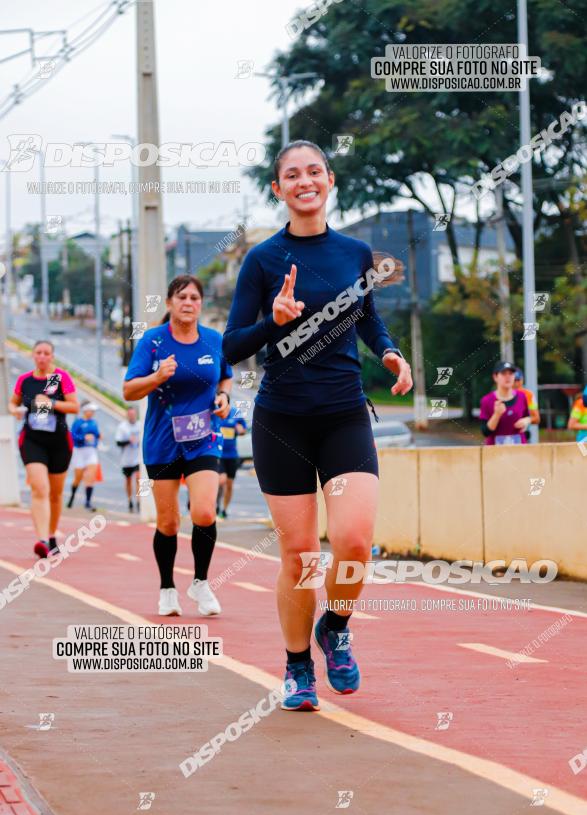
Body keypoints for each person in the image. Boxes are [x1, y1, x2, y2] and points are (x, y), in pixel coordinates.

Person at [222, 139, 412, 711]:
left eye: (314, 171)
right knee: (301, 557)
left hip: (344, 414)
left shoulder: (356, 253)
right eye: (291, 175)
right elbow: (231, 345)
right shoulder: (262, 260)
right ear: (278, 190)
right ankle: (298, 665)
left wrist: (390, 352)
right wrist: (273, 324)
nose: (304, 181)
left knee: (354, 542)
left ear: (329, 181)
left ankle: (337, 625)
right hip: (282, 421)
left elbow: (369, 318)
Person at [123, 275, 232, 617]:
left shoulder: (214, 341)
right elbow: (128, 390)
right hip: (162, 441)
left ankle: (200, 581)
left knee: (204, 512)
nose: (188, 303)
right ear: (169, 303)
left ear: (201, 305)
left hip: (204, 439)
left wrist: (224, 395)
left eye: (195, 298)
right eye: (182, 297)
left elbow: (226, 375)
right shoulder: (153, 342)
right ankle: (167, 587)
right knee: (169, 523)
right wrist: (156, 377)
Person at [9, 340, 79, 558]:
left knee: (56, 494)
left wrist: (51, 404)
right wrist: (16, 410)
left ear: (52, 356)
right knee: (40, 488)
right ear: (32, 355)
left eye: (46, 353)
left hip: (59, 442)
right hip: (32, 441)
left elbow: (74, 406)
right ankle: (41, 541)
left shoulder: (58, 378)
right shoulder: (25, 380)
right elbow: (12, 402)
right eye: (38, 352)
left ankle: (51, 536)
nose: (41, 356)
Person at [479, 361, 531, 445]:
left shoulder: (522, 396)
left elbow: (528, 416)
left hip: (519, 450)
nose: (508, 377)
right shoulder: (487, 400)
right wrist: (497, 415)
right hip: (496, 452)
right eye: (503, 373)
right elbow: (485, 432)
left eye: (511, 373)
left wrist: (526, 421)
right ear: (495, 377)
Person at [67, 402, 101, 511]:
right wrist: (83, 437)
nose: (93, 413)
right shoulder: (78, 422)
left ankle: (88, 502)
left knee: (91, 477)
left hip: (91, 451)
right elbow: (72, 436)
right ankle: (72, 497)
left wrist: (97, 438)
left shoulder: (94, 423)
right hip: (79, 452)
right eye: (91, 410)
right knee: (78, 478)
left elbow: (96, 434)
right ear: (85, 411)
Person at [216, 405, 247, 518]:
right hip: (218, 454)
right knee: (221, 480)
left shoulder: (236, 412)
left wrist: (240, 430)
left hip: (232, 455)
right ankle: (216, 505)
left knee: (229, 484)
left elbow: (244, 429)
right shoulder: (215, 410)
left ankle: (224, 510)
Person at [115, 406, 141, 511]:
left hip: (138, 458)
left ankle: (140, 502)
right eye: (130, 414)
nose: (132, 416)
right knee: (128, 480)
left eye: (133, 414)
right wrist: (129, 441)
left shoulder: (140, 425)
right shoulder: (122, 427)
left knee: (139, 478)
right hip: (126, 459)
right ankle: (130, 501)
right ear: (127, 415)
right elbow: (118, 442)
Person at [514, 369, 540, 440]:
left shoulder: (528, 395)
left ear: (522, 380)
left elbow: (536, 418)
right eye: (514, 380)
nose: (516, 383)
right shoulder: (502, 394)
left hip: (522, 433)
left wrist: (527, 420)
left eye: (518, 380)